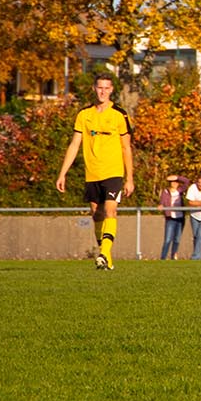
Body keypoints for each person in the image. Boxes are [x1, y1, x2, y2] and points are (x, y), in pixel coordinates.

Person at [56, 75, 136, 271]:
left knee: (110, 210)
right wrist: (62, 173)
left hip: (113, 172)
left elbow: (127, 148)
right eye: (100, 87)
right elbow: (75, 144)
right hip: (92, 173)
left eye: (106, 88)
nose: (103, 91)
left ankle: (104, 253)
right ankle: (104, 258)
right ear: (94, 89)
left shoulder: (120, 114)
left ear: (111, 90)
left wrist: (129, 178)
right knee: (96, 214)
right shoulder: (84, 115)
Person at [159, 175, 187, 260]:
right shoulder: (166, 191)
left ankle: (173, 255)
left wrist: (177, 177)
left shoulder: (180, 191)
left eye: (176, 182)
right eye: (172, 182)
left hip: (180, 218)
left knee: (177, 239)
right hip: (170, 218)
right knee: (168, 239)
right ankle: (163, 257)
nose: (174, 184)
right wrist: (161, 205)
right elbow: (163, 200)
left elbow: (187, 182)